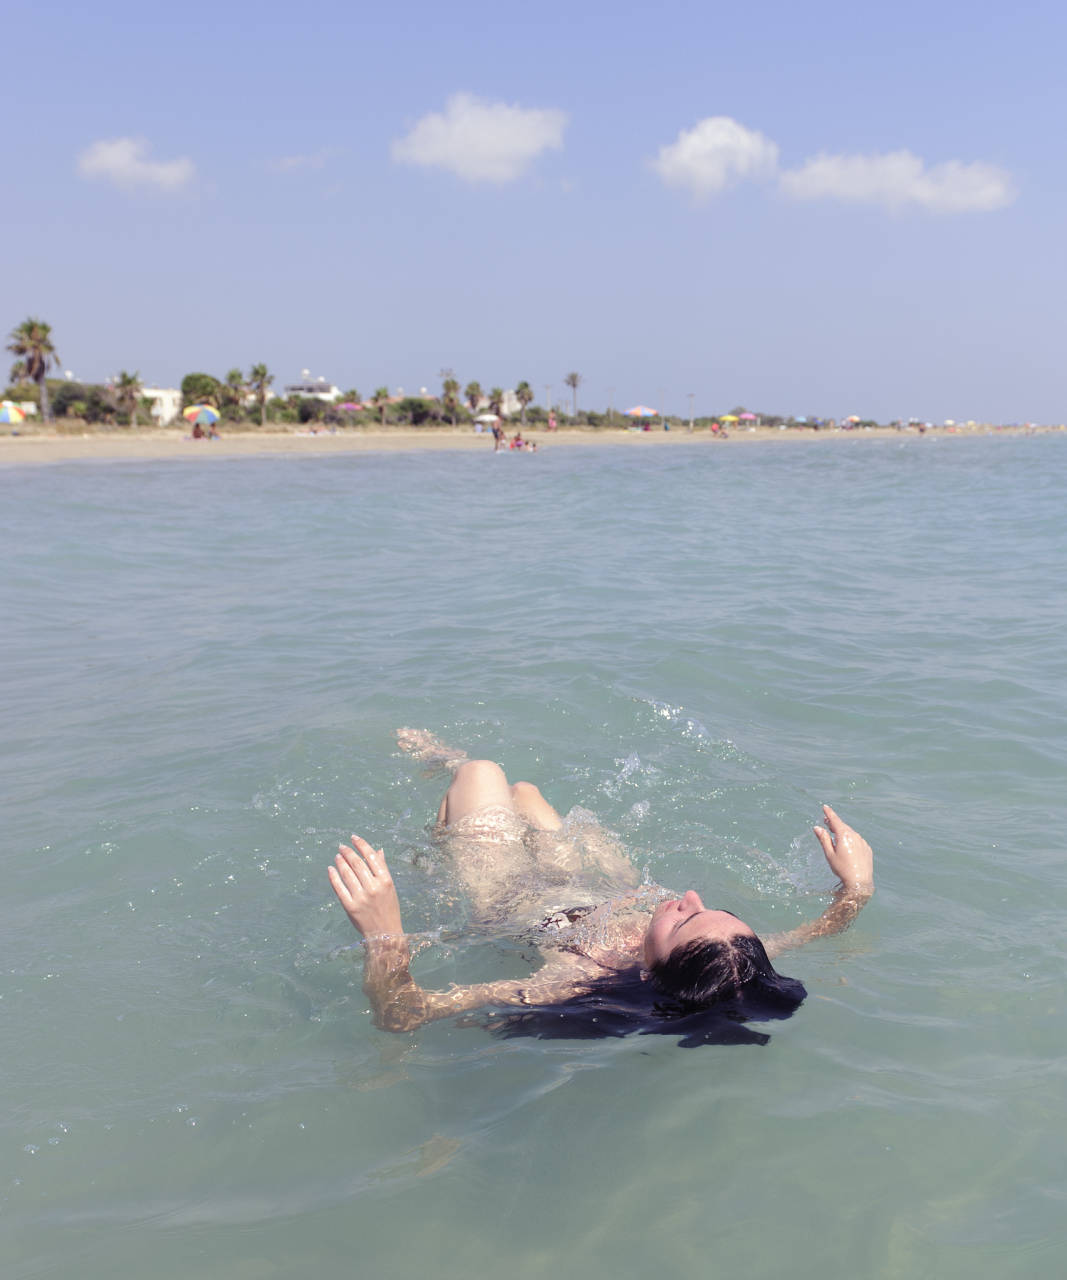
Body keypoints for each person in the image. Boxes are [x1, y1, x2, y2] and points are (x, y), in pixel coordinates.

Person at [327, 731, 874, 1044]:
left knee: (482, 773)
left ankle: (443, 770)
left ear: (651, 969)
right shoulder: (729, 963)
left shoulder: (572, 980)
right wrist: (857, 885)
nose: (691, 898)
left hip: (507, 890)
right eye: (712, 908)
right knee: (526, 793)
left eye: (682, 919)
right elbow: (821, 928)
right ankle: (447, 816)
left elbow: (404, 1017)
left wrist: (385, 936)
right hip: (589, 885)